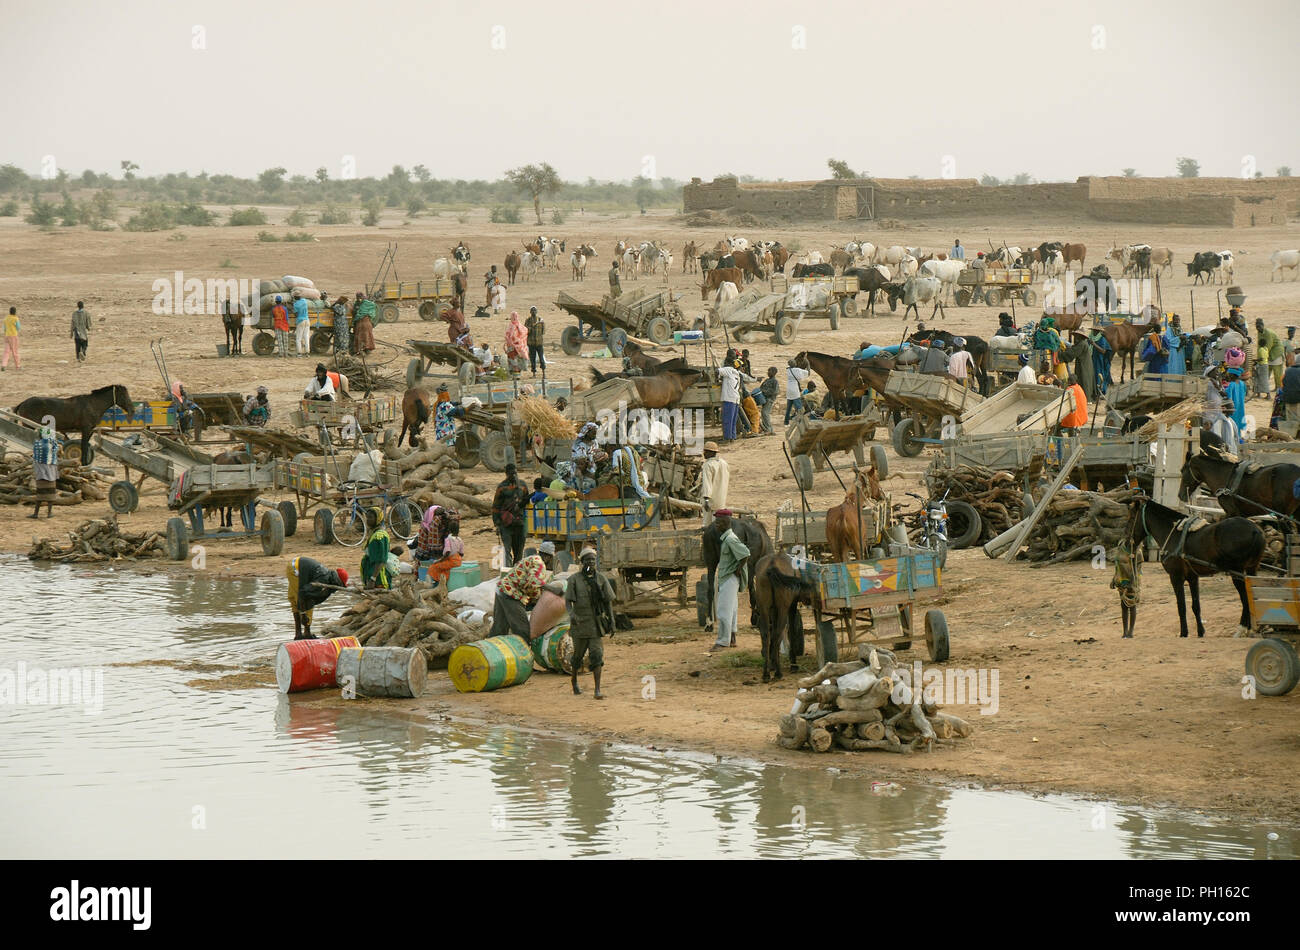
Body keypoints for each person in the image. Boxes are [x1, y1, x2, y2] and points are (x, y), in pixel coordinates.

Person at [566, 545, 615, 699]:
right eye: (587, 560)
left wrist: (612, 621)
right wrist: (571, 614)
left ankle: (597, 690)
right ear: (582, 562)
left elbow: (608, 602)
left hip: (596, 624)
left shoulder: (601, 579)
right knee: (578, 657)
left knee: (597, 655)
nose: (590, 563)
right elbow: (568, 601)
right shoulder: (574, 580)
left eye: (593, 560)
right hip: (580, 624)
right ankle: (574, 681)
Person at [711, 510, 750, 650]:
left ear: (724, 523)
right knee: (732, 610)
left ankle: (722, 642)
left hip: (729, 578)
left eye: (717, 523)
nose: (716, 525)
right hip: (729, 578)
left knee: (723, 611)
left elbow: (745, 553)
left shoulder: (730, 539)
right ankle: (732, 638)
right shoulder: (728, 538)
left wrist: (738, 569)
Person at [286, 556, 349, 640]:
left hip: (293, 565)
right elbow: (303, 593)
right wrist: (303, 614)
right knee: (306, 599)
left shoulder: (326, 575)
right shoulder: (323, 579)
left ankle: (299, 633)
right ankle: (305, 632)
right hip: (296, 569)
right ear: (336, 581)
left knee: (294, 598)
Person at [491, 554, 549, 641]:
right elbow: (533, 582)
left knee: (499, 629)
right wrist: (542, 593)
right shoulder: (540, 564)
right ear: (548, 557)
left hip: (501, 589)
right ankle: (525, 652)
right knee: (522, 631)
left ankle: (488, 650)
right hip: (511, 594)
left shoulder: (531, 559)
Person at [492, 462, 529, 567]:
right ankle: (510, 572)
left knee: (517, 552)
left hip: (517, 523)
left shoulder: (521, 486)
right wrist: (497, 524)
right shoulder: (503, 487)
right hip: (507, 524)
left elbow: (495, 507)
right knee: (509, 551)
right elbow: (495, 507)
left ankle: (514, 571)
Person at [1110, 536, 1140, 639]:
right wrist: (1114, 578)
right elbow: (1117, 564)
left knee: (1131, 605)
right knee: (1123, 606)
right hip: (1121, 580)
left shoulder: (1135, 549)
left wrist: (1132, 582)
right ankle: (1125, 632)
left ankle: (1130, 632)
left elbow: (1137, 568)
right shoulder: (1121, 546)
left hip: (1131, 581)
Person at [719, 360, 755, 441]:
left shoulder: (728, 370)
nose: (743, 368)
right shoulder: (738, 374)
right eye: (742, 367)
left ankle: (728, 438)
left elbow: (717, 371)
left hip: (729, 398)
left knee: (727, 419)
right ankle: (732, 436)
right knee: (733, 420)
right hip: (735, 398)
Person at [30, 425, 58, 519]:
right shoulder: (53, 444)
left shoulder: (37, 444)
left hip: (40, 472)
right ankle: (49, 513)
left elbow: (35, 456)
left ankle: (36, 513)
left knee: (40, 494)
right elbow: (55, 454)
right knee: (50, 494)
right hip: (51, 473)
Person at [360, 508, 392, 590]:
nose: (368, 520)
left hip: (378, 576)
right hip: (371, 572)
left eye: (371, 517)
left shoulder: (380, 536)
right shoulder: (374, 533)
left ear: (378, 518)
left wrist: (373, 579)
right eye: (367, 517)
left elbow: (381, 560)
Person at [699, 441, 730, 524]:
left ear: (710, 452)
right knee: (717, 523)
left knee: (707, 524)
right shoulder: (724, 463)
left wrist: (706, 499)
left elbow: (707, 483)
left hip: (710, 500)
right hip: (721, 499)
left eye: (705, 452)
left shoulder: (708, 465)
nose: (704, 454)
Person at [1256, 318, 1281, 395]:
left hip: (1276, 353)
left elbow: (1268, 346)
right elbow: (1259, 344)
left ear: (1263, 326)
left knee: (1277, 372)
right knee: (1267, 372)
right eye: (1257, 327)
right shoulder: (1259, 332)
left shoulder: (1268, 333)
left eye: (1259, 327)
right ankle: (1267, 389)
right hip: (1267, 354)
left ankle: (1278, 388)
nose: (1258, 329)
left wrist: (1261, 356)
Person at [1225, 365, 1248, 440]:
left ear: (1232, 375)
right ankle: (1240, 438)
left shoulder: (1231, 384)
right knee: (1240, 421)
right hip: (1241, 406)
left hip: (1233, 407)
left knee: (1233, 423)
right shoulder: (1242, 383)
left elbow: (1229, 396)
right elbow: (1244, 393)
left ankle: (1235, 439)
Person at [785, 358, 810, 424]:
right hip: (795, 390)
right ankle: (801, 421)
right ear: (795, 364)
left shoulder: (788, 370)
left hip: (789, 390)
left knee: (788, 408)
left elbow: (790, 367)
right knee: (799, 408)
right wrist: (808, 364)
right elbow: (808, 373)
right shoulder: (798, 370)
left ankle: (786, 422)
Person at [1281, 351, 1300, 437]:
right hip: (1297, 399)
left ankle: (1292, 436)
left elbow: (1283, 383)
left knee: (1291, 420)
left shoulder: (1288, 370)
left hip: (1287, 398)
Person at [758, 367, 780, 434]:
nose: (768, 372)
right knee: (764, 413)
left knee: (765, 413)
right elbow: (760, 388)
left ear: (774, 372)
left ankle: (768, 429)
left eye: (769, 371)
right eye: (768, 371)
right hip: (764, 399)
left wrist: (765, 392)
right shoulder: (767, 380)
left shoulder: (775, 381)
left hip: (769, 399)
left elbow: (775, 392)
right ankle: (768, 429)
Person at [525, 306, 546, 375]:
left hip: (539, 343)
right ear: (530, 312)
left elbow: (543, 331)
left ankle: (543, 373)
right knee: (532, 359)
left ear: (536, 312)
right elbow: (525, 331)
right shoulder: (528, 321)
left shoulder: (540, 320)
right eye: (532, 311)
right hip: (531, 343)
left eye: (534, 311)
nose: (533, 312)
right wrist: (531, 328)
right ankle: (534, 373)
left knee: (541, 359)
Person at [292, 291, 311, 356]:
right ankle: (307, 353)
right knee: (306, 337)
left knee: (298, 338)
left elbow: (296, 315)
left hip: (300, 321)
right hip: (307, 320)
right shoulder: (304, 301)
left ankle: (299, 353)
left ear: (294, 297)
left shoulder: (295, 304)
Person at [2, 305, 19, 371]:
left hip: (7, 336)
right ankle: (17, 366)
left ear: (9, 312)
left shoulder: (6, 318)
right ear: (15, 312)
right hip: (14, 336)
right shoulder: (15, 318)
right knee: (15, 351)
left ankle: (4, 365)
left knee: (6, 352)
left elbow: (4, 328)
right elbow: (18, 327)